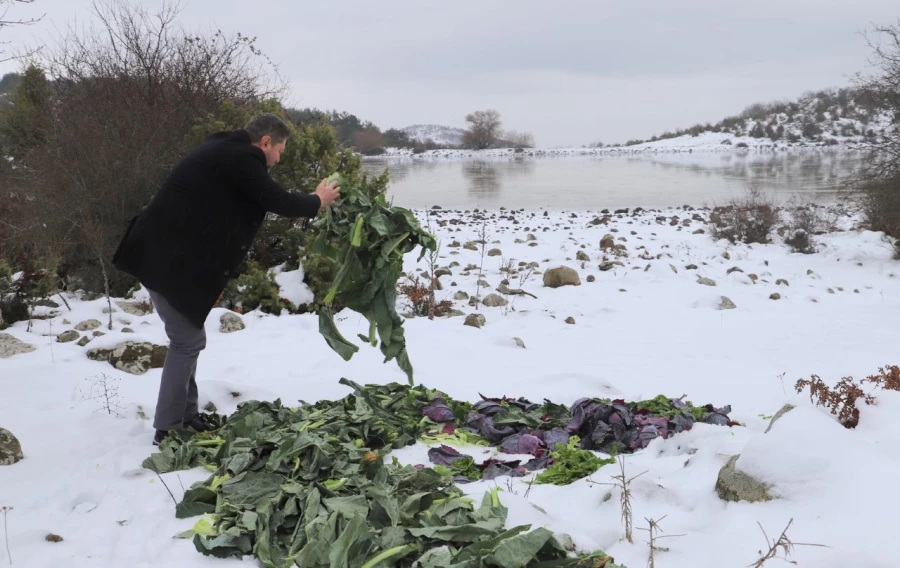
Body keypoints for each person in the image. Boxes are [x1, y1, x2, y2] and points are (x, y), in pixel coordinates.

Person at [112, 113, 341, 446]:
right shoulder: (242, 157)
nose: (278, 159)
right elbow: (277, 200)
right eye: (280, 150)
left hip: (163, 257)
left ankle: (185, 416)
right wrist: (317, 200)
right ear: (265, 142)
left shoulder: (224, 149)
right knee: (186, 341)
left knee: (189, 339)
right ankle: (169, 426)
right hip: (163, 260)